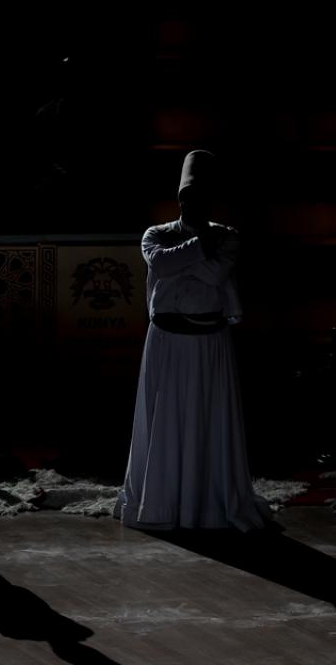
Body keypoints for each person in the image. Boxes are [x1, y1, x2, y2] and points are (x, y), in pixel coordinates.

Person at [116, 151, 273, 531]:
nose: (194, 205)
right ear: (180, 199)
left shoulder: (227, 236)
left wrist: (183, 260)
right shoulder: (156, 234)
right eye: (189, 198)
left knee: (208, 421)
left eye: (201, 198)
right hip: (167, 343)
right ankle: (164, 501)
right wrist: (198, 251)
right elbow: (161, 264)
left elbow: (215, 275)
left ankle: (204, 500)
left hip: (209, 342)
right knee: (165, 422)